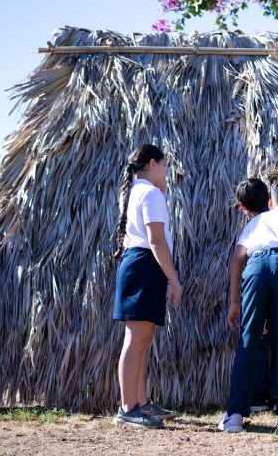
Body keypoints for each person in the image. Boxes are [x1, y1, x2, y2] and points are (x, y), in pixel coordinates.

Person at [219, 175, 278, 434]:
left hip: (256, 266)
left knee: (248, 341)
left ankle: (234, 416)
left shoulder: (258, 220)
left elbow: (238, 258)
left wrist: (235, 301)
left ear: (270, 202)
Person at [111, 144, 183, 429]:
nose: (167, 170)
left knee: (142, 339)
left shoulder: (142, 192)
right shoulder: (150, 193)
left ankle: (140, 403)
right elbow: (156, 240)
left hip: (142, 266)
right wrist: (174, 279)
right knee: (136, 340)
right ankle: (128, 408)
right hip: (144, 265)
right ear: (152, 164)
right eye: (164, 164)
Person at [233, 177, 276, 412]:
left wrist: (234, 301)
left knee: (257, 341)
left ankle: (258, 398)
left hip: (258, 281)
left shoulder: (252, 227)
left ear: (242, 207)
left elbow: (238, 259)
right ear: (269, 201)